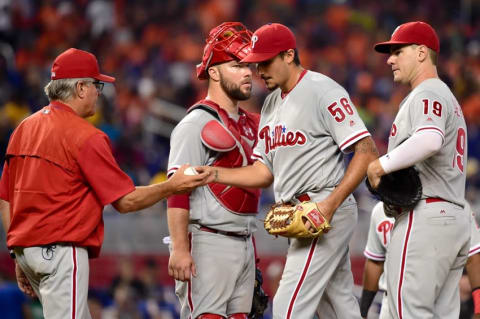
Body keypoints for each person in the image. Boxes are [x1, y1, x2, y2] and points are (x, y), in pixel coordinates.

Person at [0, 48, 210, 319]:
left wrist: (18, 253)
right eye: (96, 84)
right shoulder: (86, 136)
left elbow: (6, 198)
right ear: (80, 88)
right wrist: (172, 186)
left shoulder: (23, 129)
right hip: (61, 250)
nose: (100, 92)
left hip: (26, 251)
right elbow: (125, 201)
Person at [203, 23, 379, 319]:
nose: (260, 70)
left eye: (266, 61)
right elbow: (263, 172)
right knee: (339, 307)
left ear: (288, 55)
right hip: (300, 214)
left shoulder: (323, 90)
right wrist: (214, 174)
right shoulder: (271, 103)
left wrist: (328, 206)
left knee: (288, 307)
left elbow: (366, 152)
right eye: (256, 63)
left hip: (323, 207)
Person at [367, 21, 470, 318]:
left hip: (426, 218)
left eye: (398, 51)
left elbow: (429, 139)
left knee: (405, 314)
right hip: (452, 217)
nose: (390, 59)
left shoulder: (428, 92)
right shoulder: (446, 97)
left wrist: (380, 164)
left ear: (422, 52)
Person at [166, 22, 260, 319]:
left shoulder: (250, 122)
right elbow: (177, 190)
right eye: (236, 65)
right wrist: (180, 248)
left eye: (248, 65)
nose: (247, 72)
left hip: (244, 240)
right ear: (214, 72)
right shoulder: (195, 123)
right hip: (208, 240)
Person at [360, 202, 480, 319]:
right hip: (391, 305)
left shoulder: (458, 208)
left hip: (439, 305)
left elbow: (473, 259)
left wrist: (479, 309)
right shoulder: (381, 210)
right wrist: (363, 312)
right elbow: (375, 262)